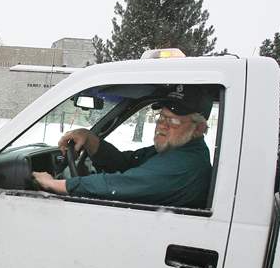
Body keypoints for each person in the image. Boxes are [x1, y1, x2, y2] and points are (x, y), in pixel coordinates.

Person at [32, 85, 214, 209]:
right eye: (162, 118)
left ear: (198, 128)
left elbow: (121, 185)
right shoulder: (175, 149)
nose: (162, 126)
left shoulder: (184, 164)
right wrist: (89, 139)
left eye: (173, 120)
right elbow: (126, 163)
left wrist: (54, 184)